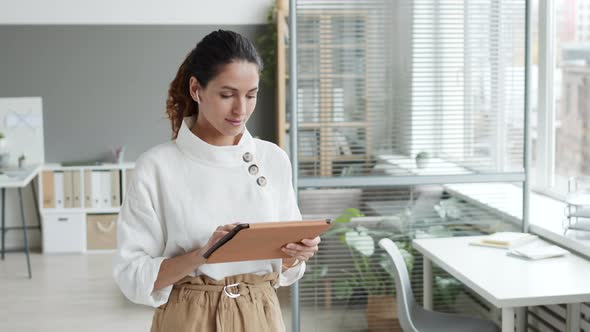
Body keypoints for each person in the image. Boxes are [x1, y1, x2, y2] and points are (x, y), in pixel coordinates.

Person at [113, 29, 320, 332]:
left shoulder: (272, 159)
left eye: (251, 95)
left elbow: (287, 270)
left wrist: (294, 257)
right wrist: (202, 255)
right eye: (227, 95)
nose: (241, 109)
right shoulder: (156, 167)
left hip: (260, 313)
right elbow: (131, 274)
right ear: (196, 89)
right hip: (187, 316)